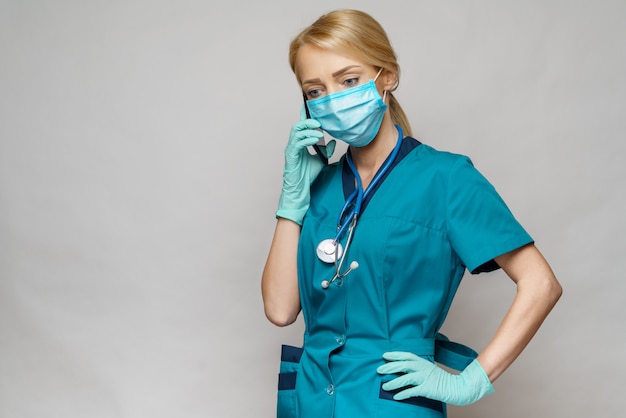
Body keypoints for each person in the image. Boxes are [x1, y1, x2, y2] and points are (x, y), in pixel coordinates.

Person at [261, 9, 562, 418]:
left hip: (390, 402)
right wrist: (291, 201)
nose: (331, 99)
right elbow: (280, 310)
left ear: (388, 77)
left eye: (348, 80)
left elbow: (540, 283)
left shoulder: (446, 178)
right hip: (310, 399)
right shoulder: (316, 187)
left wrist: (470, 380)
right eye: (315, 91)